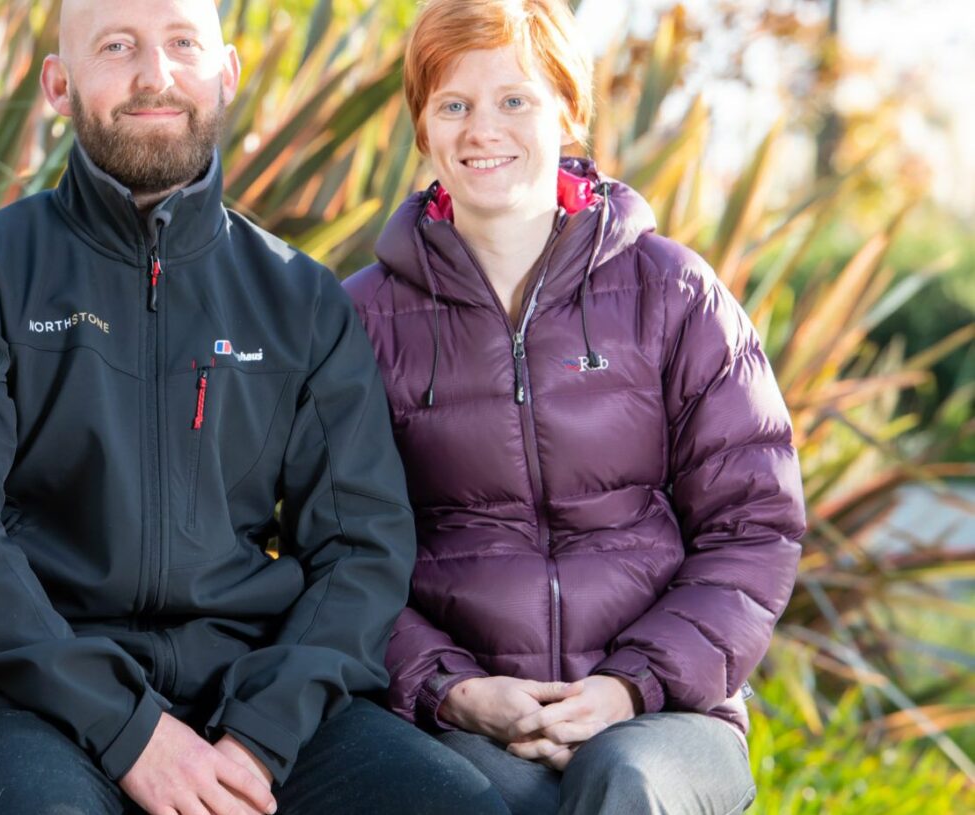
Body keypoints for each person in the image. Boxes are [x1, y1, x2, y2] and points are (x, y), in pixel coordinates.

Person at [0, 1, 507, 813]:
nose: (156, 75)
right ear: (58, 85)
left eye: (182, 43)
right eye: (117, 47)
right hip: (30, 695)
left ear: (226, 73)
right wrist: (130, 730)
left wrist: (259, 737)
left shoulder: (300, 299)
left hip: (249, 690)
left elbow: (361, 548)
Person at [343, 0, 805, 813]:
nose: (482, 129)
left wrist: (628, 685)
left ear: (567, 110)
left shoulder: (672, 292)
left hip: (665, 713)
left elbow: (754, 524)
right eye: (453, 105)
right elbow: (338, 547)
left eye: (513, 99)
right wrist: (453, 689)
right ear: (422, 127)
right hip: (461, 717)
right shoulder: (362, 319)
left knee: (623, 782)